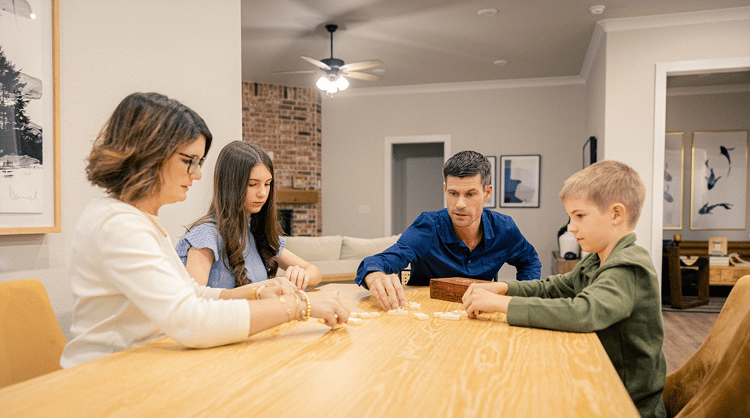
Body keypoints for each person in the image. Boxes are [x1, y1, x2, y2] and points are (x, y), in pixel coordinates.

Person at [60, 92, 349, 369]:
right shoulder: (118, 225)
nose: (197, 174)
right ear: (150, 155)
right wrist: (300, 305)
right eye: (189, 161)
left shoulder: (137, 220)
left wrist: (258, 290)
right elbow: (190, 320)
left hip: (141, 363)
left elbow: (192, 294)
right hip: (106, 374)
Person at [461, 159, 667, 418]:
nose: (571, 226)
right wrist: (505, 286)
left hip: (627, 408)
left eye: (579, 216)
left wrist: (503, 304)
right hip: (602, 383)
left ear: (616, 214)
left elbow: (583, 312)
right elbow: (557, 287)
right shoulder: (597, 259)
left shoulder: (629, 266)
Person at [356, 150, 541, 310]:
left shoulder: (505, 228)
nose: (460, 204)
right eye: (453, 193)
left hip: (480, 313)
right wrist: (375, 276)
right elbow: (381, 260)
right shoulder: (427, 226)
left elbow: (529, 260)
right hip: (426, 315)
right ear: (445, 189)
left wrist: (520, 296)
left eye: (470, 194)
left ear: (487, 192)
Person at [177, 141, 322, 291]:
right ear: (230, 185)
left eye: (267, 184)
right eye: (253, 184)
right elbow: (193, 299)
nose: (263, 193)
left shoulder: (257, 231)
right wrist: (263, 289)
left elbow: (315, 272)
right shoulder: (206, 235)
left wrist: (301, 274)